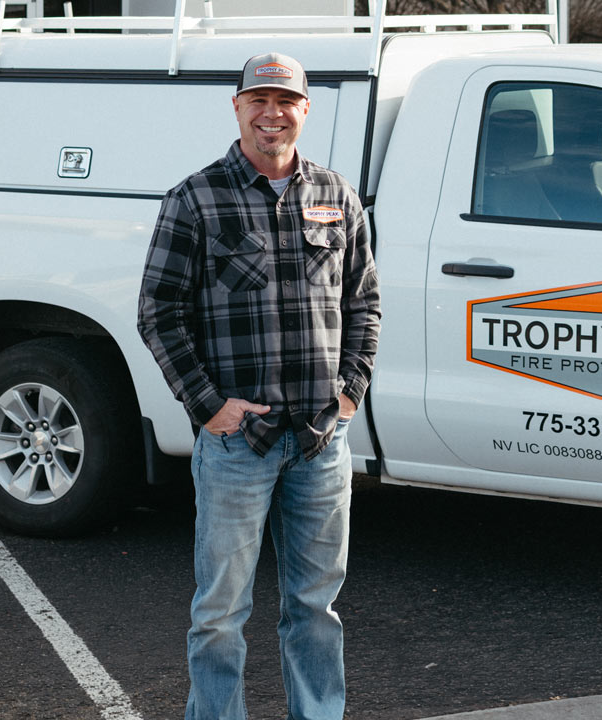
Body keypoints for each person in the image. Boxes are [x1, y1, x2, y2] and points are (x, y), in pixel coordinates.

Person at [137, 52, 381, 720]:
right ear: (238, 106)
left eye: (286, 101)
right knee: (219, 612)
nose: (272, 114)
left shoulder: (336, 196)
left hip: (319, 442)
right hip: (237, 443)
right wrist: (208, 404)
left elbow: (364, 301)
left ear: (305, 109)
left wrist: (350, 391)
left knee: (316, 607)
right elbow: (158, 311)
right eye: (259, 101)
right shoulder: (196, 198)